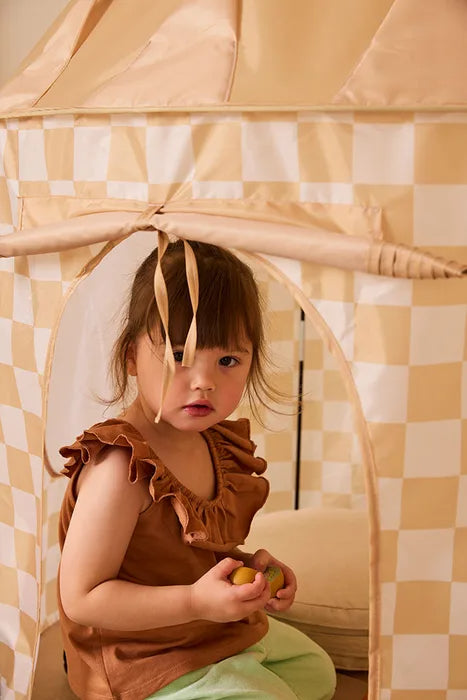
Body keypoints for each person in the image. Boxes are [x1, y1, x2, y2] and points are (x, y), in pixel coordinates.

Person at [58, 240, 336, 700]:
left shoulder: (212, 442)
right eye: (178, 356)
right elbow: (83, 598)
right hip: (142, 653)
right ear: (131, 356)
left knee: (315, 671)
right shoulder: (121, 467)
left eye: (228, 361)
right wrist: (193, 600)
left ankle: (234, 670)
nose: (204, 381)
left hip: (202, 627)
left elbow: (185, 553)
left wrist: (248, 574)